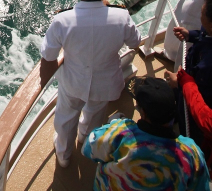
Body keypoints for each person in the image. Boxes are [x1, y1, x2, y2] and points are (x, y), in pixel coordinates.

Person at [40, 0, 141, 168]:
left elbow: (49, 57)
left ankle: (64, 155)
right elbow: (135, 42)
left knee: (66, 120)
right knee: (95, 115)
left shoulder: (62, 20)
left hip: (73, 83)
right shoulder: (121, 16)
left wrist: (43, 83)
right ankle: (85, 139)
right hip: (106, 82)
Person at [82, 75, 210, 191]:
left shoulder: (121, 133)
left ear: (143, 113)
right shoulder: (191, 153)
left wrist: (113, 124)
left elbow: (87, 148)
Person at [164, 0, 212, 158]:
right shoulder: (209, 32)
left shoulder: (208, 65)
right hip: (190, 81)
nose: (200, 17)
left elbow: (200, 102)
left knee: (191, 130)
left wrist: (180, 83)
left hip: (196, 107)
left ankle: (189, 151)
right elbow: (205, 35)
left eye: (202, 15)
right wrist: (191, 35)